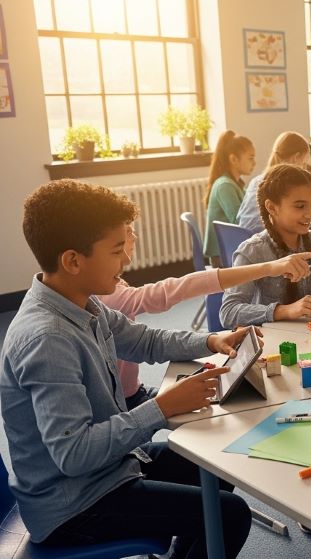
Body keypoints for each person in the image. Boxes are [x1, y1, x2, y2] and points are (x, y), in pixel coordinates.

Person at [3, 179, 252, 557]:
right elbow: (75, 455)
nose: (128, 261)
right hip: (74, 506)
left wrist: (209, 341)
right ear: (72, 261)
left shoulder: (81, 301)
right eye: (117, 250)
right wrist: (162, 407)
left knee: (215, 463)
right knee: (230, 514)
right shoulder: (47, 339)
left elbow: (143, 339)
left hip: (108, 471)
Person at [99, 220, 311, 409]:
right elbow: (175, 289)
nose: (134, 239)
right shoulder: (109, 297)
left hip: (132, 392)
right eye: (124, 238)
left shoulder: (103, 298)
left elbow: (148, 340)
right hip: (121, 404)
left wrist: (213, 340)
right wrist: (267, 268)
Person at [220, 163, 311, 328]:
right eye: (300, 206)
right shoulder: (252, 251)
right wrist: (284, 311)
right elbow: (228, 312)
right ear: (272, 207)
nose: (310, 213)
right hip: (279, 344)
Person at [237, 131, 311, 233]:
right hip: (265, 240)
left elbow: (240, 216)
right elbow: (303, 196)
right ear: (296, 158)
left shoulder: (256, 180)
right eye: (304, 162)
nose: (305, 167)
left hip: (241, 239)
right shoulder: (282, 182)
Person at [203, 130, 255, 264]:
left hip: (230, 250)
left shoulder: (235, 184)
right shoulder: (224, 186)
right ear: (233, 159)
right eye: (250, 158)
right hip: (224, 256)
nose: (254, 163)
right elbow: (240, 222)